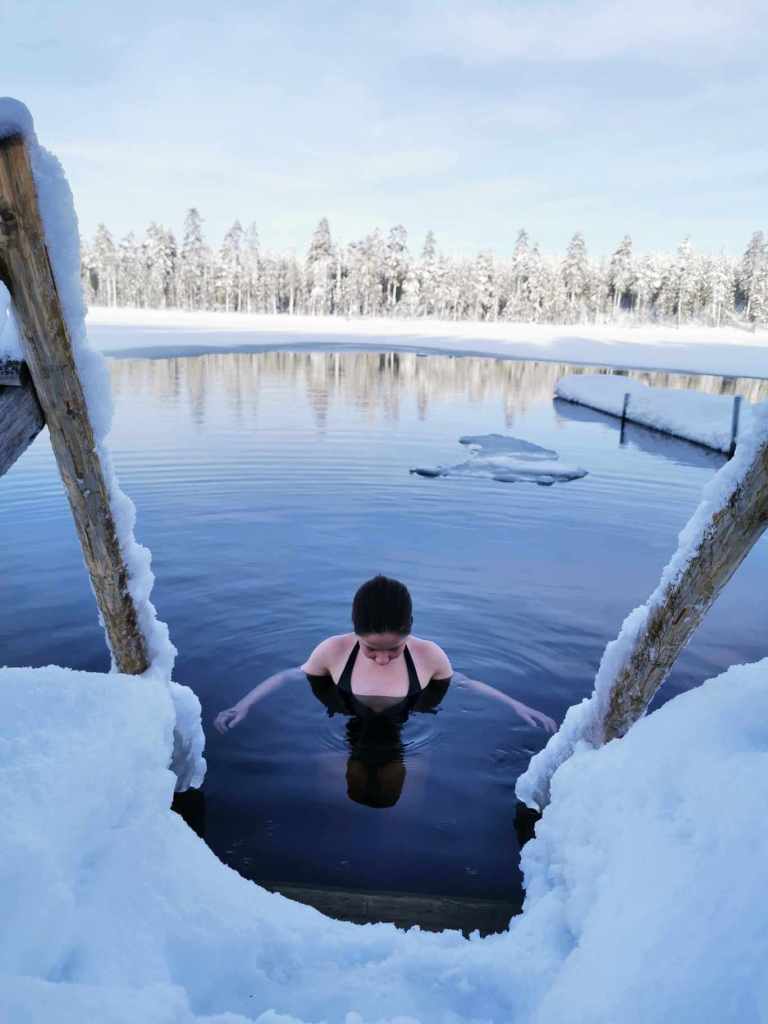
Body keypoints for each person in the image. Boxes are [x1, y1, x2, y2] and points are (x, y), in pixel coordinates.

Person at [214, 575, 557, 738]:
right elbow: (287, 676)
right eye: (370, 649)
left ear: (410, 630)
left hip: (405, 732)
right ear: (354, 633)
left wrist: (516, 705)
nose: (382, 659)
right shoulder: (333, 650)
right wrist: (244, 704)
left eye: (394, 649)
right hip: (345, 730)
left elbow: (465, 683)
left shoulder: (428, 655)